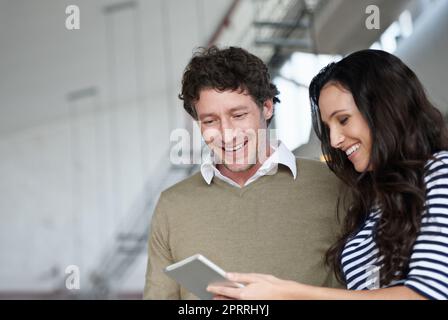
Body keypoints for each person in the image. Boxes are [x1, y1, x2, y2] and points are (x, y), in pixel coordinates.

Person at [207, 49, 448, 300]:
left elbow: (426, 294)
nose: (334, 140)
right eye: (328, 127)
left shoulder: (439, 173)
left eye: (343, 120)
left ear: (385, 109)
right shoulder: (372, 203)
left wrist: (288, 293)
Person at [143, 46, 343, 299]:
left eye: (238, 115)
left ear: (267, 107)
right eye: (210, 121)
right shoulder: (172, 206)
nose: (227, 134)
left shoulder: (334, 185)